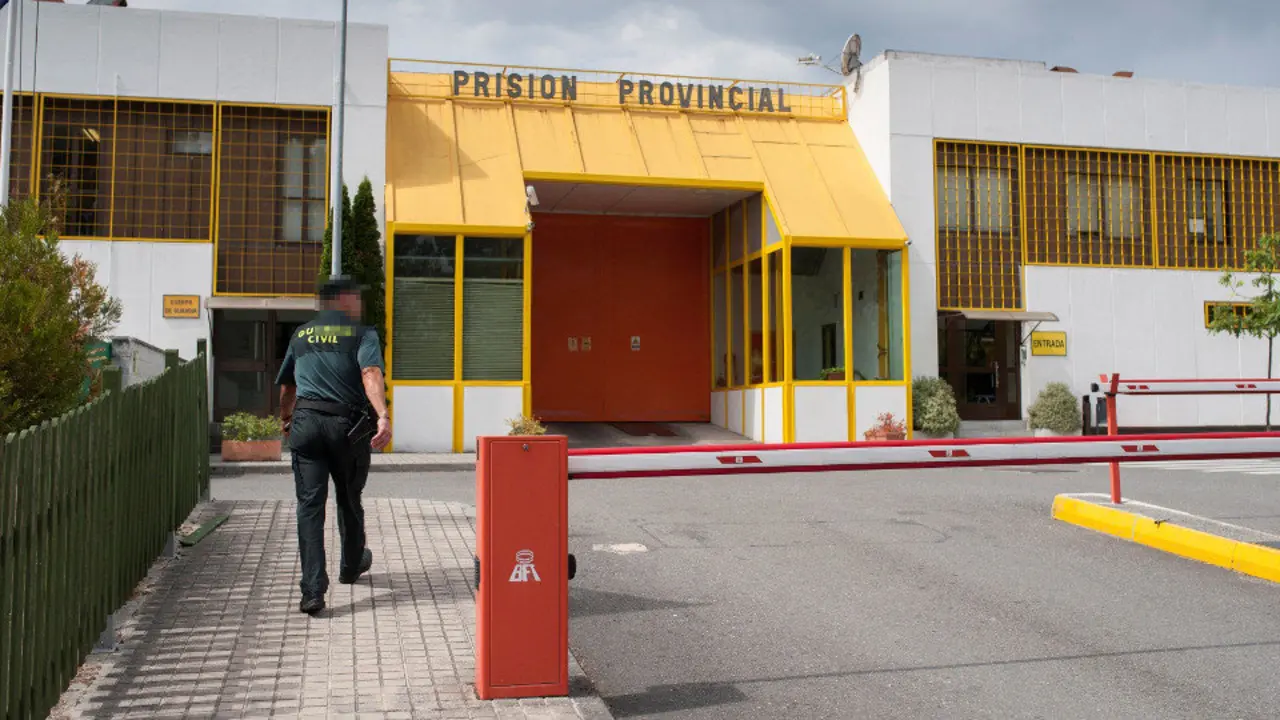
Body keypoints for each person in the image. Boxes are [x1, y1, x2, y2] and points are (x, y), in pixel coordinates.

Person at [276, 276, 392, 615]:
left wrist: (285, 419)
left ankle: (312, 591)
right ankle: (351, 564)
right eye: (356, 297)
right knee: (348, 497)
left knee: (309, 507)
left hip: (307, 424)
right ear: (343, 299)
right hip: (347, 428)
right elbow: (370, 372)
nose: (359, 303)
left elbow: (287, 388)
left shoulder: (301, 334)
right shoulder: (362, 333)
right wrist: (382, 415)